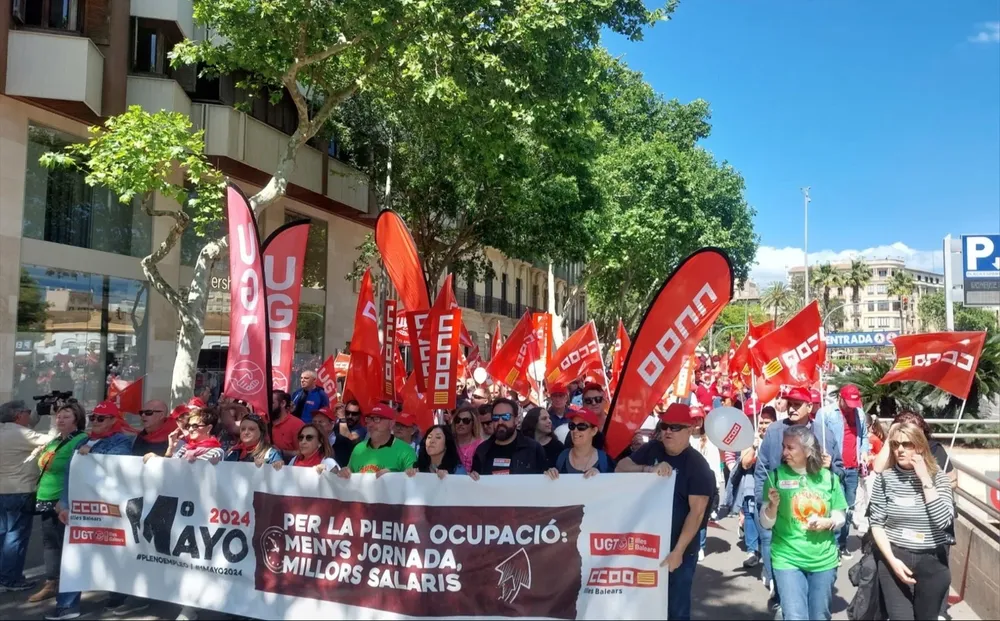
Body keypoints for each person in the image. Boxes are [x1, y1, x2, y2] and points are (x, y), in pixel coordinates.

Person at [615, 403, 715, 621]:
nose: (668, 431)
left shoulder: (698, 467)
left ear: (690, 430)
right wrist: (647, 470)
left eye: (675, 427)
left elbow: (697, 513)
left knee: (676, 610)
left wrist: (678, 551)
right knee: (643, 606)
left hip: (678, 548)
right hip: (644, 545)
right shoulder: (652, 449)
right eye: (665, 425)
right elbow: (620, 468)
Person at [754, 386, 842, 604]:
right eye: (789, 404)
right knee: (771, 547)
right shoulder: (775, 431)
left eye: (797, 404)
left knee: (818, 609)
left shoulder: (824, 433)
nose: (791, 409)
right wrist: (762, 501)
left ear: (809, 407)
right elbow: (762, 466)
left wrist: (831, 467)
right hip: (777, 511)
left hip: (816, 520)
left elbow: (840, 471)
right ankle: (780, 593)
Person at [50, 401, 136, 621]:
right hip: (81, 512)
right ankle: (67, 606)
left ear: (113, 421)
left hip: (109, 513)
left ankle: (118, 595)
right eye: (93, 417)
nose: (95, 421)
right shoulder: (84, 440)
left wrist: (95, 455)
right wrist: (64, 503)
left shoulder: (121, 441)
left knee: (112, 556)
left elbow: (120, 464)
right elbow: (71, 474)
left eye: (101, 418)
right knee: (73, 556)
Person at [869, 422, 955, 621]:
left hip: (932, 561)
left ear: (920, 446)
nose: (899, 449)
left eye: (907, 444)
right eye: (896, 444)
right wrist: (892, 560)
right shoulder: (885, 479)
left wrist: (925, 478)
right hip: (895, 558)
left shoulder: (938, 478)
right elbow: (876, 523)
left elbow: (943, 521)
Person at [759, 426, 846, 621]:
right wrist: (772, 507)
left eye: (791, 448)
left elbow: (841, 516)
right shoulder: (775, 477)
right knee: (795, 616)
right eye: (783, 447)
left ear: (808, 451)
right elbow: (765, 523)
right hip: (787, 558)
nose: (784, 453)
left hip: (823, 560)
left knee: (820, 616)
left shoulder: (829, 478)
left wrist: (828, 522)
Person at [28, 403, 87, 606]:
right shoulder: (54, 441)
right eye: (59, 416)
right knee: (50, 544)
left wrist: (64, 500)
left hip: (62, 499)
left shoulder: (80, 440)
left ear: (76, 420)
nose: (60, 420)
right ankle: (51, 582)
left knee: (66, 544)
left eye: (66, 417)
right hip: (45, 497)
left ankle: (68, 584)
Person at [0, 400, 52, 592]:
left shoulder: (5, 430)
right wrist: (56, 417)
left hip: (3, 489)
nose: (29, 415)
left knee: (3, 534)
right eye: (27, 412)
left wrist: (38, 414)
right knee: (16, 536)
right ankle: (11, 579)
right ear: (17, 415)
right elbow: (52, 441)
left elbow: (26, 430)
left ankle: (4, 575)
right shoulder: (22, 434)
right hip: (20, 490)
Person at [817, 384, 869, 559]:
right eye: (847, 402)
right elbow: (818, 438)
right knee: (834, 507)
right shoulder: (826, 413)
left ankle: (842, 544)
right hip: (834, 467)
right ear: (840, 397)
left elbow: (863, 436)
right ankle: (831, 544)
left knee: (848, 508)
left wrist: (864, 452)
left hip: (853, 468)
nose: (850, 407)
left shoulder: (859, 413)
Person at [470, 398, 547, 477]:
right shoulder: (482, 451)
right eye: (496, 417)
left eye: (505, 417)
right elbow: (475, 483)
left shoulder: (533, 448)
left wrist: (550, 474)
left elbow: (543, 480)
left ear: (516, 420)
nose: (500, 422)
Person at [340, 404, 416, 476]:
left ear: (391, 424)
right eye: (369, 419)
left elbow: (412, 481)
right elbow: (348, 478)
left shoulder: (406, 451)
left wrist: (394, 477)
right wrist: (344, 473)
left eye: (377, 419)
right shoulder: (358, 449)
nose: (370, 424)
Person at [689, 406, 724, 562]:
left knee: (700, 518)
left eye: (698, 419)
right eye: (693, 419)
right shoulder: (685, 437)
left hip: (704, 485)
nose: (696, 422)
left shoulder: (709, 441)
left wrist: (716, 483)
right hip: (686, 484)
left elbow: (714, 464)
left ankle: (700, 546)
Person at [544, 408, 613, 479]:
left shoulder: (606, 461)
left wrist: (602, 477)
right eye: (572, 426)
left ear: (594, 431)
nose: (575, 430)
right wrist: (550, 473)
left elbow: (615, 486)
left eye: (581, 426)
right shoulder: (559, 458)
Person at [274, 424, 339, 472]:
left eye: (309, 438)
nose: (303, 442)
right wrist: (280, 468)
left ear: (320, 442)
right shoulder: (294, 460)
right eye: (301, 438)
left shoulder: (328, 463)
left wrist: (327, 474)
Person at [270, 390, 306, 461]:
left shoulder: (297, 424)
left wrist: (281, 452)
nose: (268, 406)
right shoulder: (263, 423)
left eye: (271, 403)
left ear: (283, 403)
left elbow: (304, 453)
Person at [450, 404, 484, 473]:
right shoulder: (449, 442)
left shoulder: (481, 445)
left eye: (466, 421)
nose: (460, 423)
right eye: (458, 420)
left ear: (473, 424)